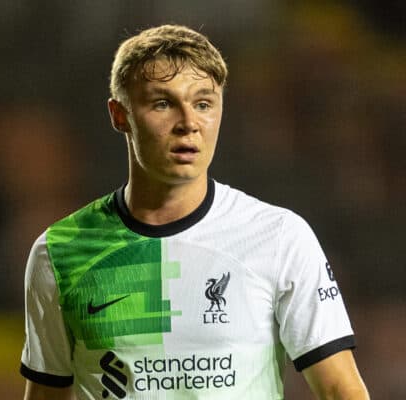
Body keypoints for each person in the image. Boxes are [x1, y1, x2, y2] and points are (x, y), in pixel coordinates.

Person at [19, 24, 370, 400]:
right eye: (162, 103)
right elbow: (45, 394)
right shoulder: (59, 251)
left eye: (203, 103)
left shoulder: (280, 236)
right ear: (119, 115)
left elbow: (340, 389)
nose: (189, 124)